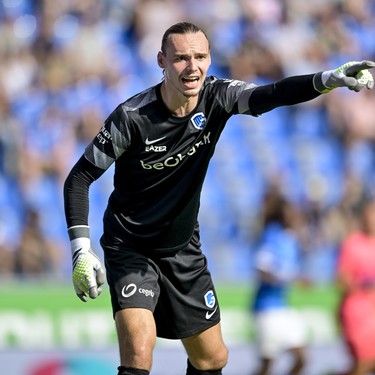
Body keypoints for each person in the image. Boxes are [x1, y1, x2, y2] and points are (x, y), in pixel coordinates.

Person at [63, 21, 375, 375]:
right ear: (161, 61)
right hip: (131, 248)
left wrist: (327, 80)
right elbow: (79, 177)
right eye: (181, 58)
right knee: (138, 352)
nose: (191, 66)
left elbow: (270, 94)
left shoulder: (218, 97)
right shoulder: (131, 119)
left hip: (182, 249)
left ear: (210, 60)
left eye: (199, 56)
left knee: (212, 359)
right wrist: (80, 250)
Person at [251, 188, 309, 375]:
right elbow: (261, 268)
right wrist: (280, 278)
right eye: (290, 212)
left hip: (282, 307)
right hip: (267, 309)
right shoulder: (272, 234)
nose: (294, 215)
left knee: (302, 358)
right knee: (267, 365)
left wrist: (299, 279)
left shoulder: (291, 240)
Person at [335, 197, 375, 375]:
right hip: (356, 312)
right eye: (369, 214)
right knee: (366, 361)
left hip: (372, 312)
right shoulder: (352, 243)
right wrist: (365, 285)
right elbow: (342, 281)